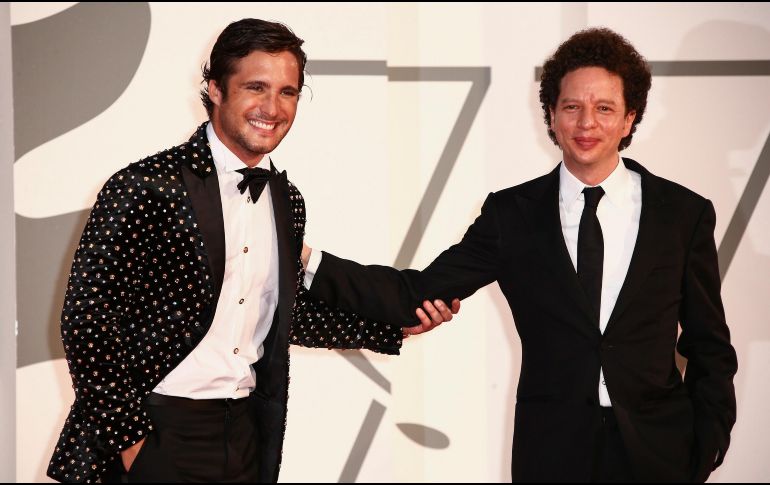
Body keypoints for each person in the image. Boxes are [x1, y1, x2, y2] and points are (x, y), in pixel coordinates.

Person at [303, 27, 737, 482]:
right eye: (572, 107)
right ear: (551, 115)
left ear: (630, 118)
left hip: (659, 455)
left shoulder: (682, 214)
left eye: (604, 108)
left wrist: (706, 446)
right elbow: (416, 291)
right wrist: (307, 258)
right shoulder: (512, 215)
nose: (587, 123)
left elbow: (710, 345)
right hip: (550, 455)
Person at [47, 18, 458, 483]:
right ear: (216, 89)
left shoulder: (286, 200)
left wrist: (388, 328)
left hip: (244, 434)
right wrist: (132, 443)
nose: (272, 107)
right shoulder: (145, 186)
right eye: (256, 87)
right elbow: (87, 320)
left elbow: (283, 314)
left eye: (288, 92)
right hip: (157, 431)